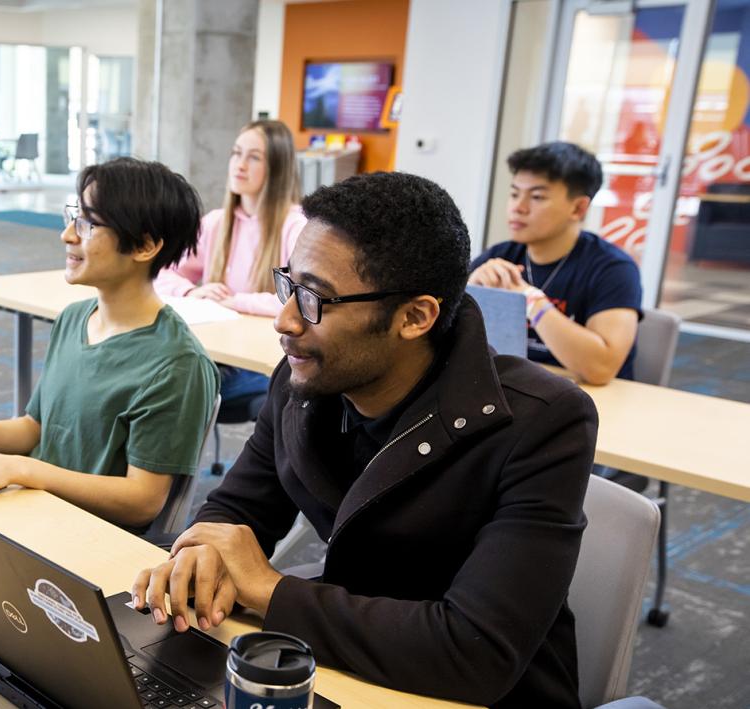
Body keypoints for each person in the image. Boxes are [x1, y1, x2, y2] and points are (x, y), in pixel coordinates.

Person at [132, 172, 597, 708]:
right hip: (352, 669)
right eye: (289, 284)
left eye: (315, 299)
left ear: (415, 317)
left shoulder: (543, 422)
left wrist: (267, 588)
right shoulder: (306, 380)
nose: (284, 320)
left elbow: (477, 652)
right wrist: (201, 557)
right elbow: (236, 511)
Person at [0, 157, 218, 531]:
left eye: (89, 223)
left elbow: (142, 501)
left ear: (145, 246)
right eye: (73, 215)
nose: (68, 234)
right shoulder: (75, 318)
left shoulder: (177, 364)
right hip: (32, 509)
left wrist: (21, 470)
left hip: (85, 537)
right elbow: (33, 429)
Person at [155, 119, 307, 405]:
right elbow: (161, 272)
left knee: (177, 384)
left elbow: (301, 302)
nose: (239, 165)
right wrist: (191, 291)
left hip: (266, 362)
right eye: (236, 153)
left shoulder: (296, 226)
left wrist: (235, 300)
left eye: (254, 157)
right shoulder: (216, 222)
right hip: (217, 353)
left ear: (277, 167)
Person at [469, 141, 641, 385]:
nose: (518, 208)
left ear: (578, 208)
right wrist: (471, 294)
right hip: (515, 390)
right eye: (515, 194)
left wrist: (530, 300)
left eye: (537, 197)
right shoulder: (499, 256)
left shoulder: (613, 268)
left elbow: (601, 368)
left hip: (585, 403)